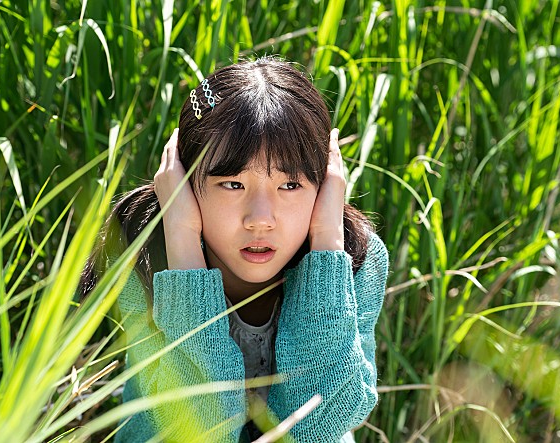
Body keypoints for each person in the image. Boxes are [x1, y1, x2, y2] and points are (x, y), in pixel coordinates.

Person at [79, 57, 389, 442]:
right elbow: (197, 428)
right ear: (185, 184)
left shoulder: (356, 258)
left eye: (290, 185)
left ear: (326, 184)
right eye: (232, 184)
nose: (261, 219)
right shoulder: (144, 258)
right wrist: (182, 241)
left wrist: (326, 246)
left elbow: (323, 423)